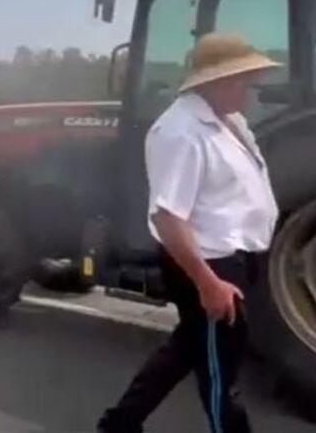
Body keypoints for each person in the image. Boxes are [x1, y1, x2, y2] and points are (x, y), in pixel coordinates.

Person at [98, 33, 281, 433]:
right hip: (208, 263)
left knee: (187, 348)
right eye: (242, 80)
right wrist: (208, 282)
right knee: (221, 373)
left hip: (234, 259)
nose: (250, 88)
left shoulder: (231, 121)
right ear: (213, 82)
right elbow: (168, 218)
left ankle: (119, 424)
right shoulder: (180, 132)